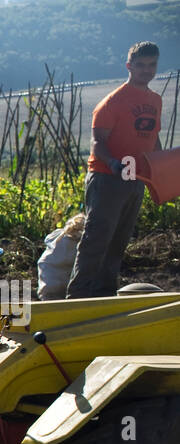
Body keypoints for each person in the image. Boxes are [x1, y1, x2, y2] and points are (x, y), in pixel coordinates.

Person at [66, 42, 162, 298]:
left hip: (135, 179)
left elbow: (153, 138)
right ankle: (77, 296)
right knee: (97, 239)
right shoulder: (113, 102)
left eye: (151, 65)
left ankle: (104, 293)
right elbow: (98, 143)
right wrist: (113, 163)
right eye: (140, 65)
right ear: (129, 66)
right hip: (107, 177)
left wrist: (162, 168)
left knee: (119, 240)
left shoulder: (155, 100)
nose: (146, 70)